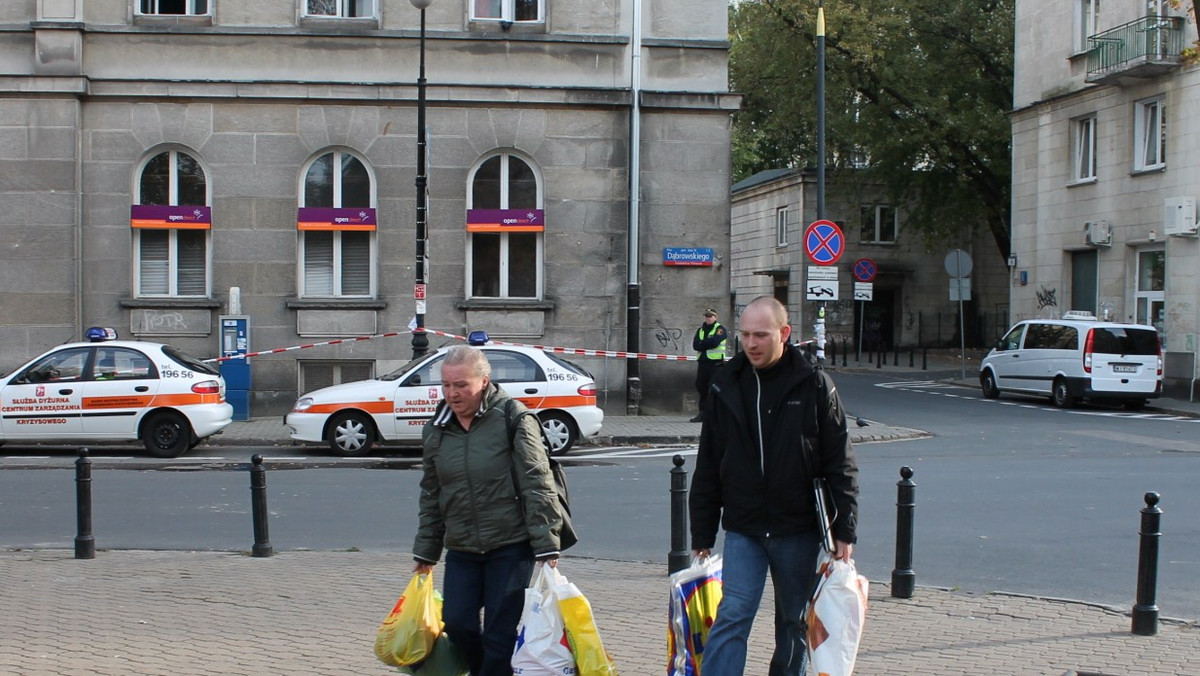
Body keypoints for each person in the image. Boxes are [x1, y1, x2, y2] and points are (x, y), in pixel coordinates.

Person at [689, 296, 859, 676]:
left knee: (793, 622)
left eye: (761, 335)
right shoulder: (725, 385)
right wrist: (702, 530)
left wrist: (845, 529)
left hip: (797, 527)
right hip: (744, 526)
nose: (751, 344)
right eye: (746, 335)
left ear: (784, 334)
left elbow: (840, 461)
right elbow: (708, 463)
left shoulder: (813, 384)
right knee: (733, 613)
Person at [412, 345, 564, 676]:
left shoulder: (513, 417)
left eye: (461, 385)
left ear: (484, 381)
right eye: (446, 385)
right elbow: (432, 492)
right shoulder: (437, 429)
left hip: (510, 545)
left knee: (499, 635)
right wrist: (426, 550)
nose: (452, 393)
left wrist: (546, 542)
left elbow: (537, 482)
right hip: (463, 546)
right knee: (457, 623)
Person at [690, 308, 728, 422]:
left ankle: (715, 414)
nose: (708, 318)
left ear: (715, 317)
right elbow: (696, 345)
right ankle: (702, 413)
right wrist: (706, 343)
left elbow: (715, 342)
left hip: (715, 364)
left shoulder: (720, 329)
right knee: (701, 387)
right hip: (703, 363)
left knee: (714, 389)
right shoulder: (700, 330)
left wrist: (704, 343)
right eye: (707, 316)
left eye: (710, 316)